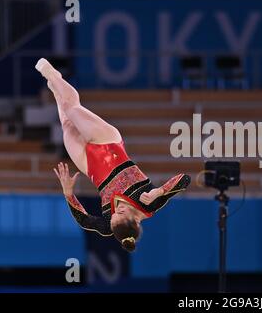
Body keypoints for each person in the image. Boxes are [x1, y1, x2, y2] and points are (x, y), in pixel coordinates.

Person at [35, 58, 190, 252]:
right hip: (109, 144)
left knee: (66, 123)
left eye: (115, 216)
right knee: (72, 108)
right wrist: (161, 191)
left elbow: (85, 221)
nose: (118, 211)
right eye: (123, 214)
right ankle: (52, 75)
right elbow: (185, 179)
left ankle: (57, 86)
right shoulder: (150, 204)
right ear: (136, 221)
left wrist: (68, 194)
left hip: (90, 166)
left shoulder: (109, 225)